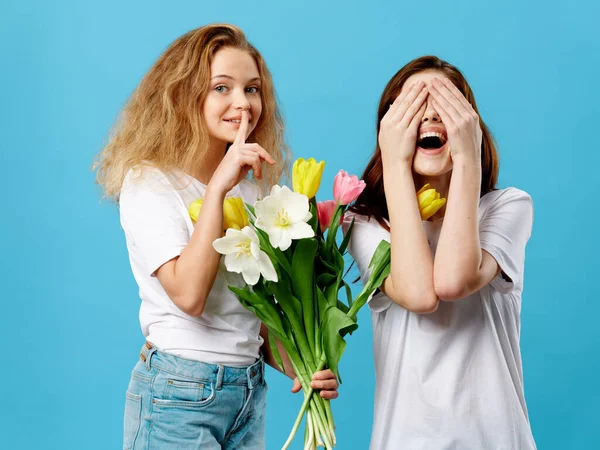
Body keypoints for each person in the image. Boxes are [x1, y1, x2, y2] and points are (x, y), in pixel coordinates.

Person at [94, 24, 338, 450]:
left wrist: (301, 365)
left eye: (253, 89)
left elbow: (255, 316)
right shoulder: (151, 182)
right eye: (221, 87)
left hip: (246, 391)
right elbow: (188, 295)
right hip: (180, 392)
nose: (242, 103)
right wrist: (218, 188)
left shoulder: (254, 189)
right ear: (185, 96)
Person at [344, 55, 536, 449]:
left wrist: (468, 159)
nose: (429, 120)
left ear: (470, 126)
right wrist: (394, 162)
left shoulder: (507, 207)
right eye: (413, 110)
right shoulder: (364, 221)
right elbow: (420, 294)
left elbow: (452, 280)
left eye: (446, 109)